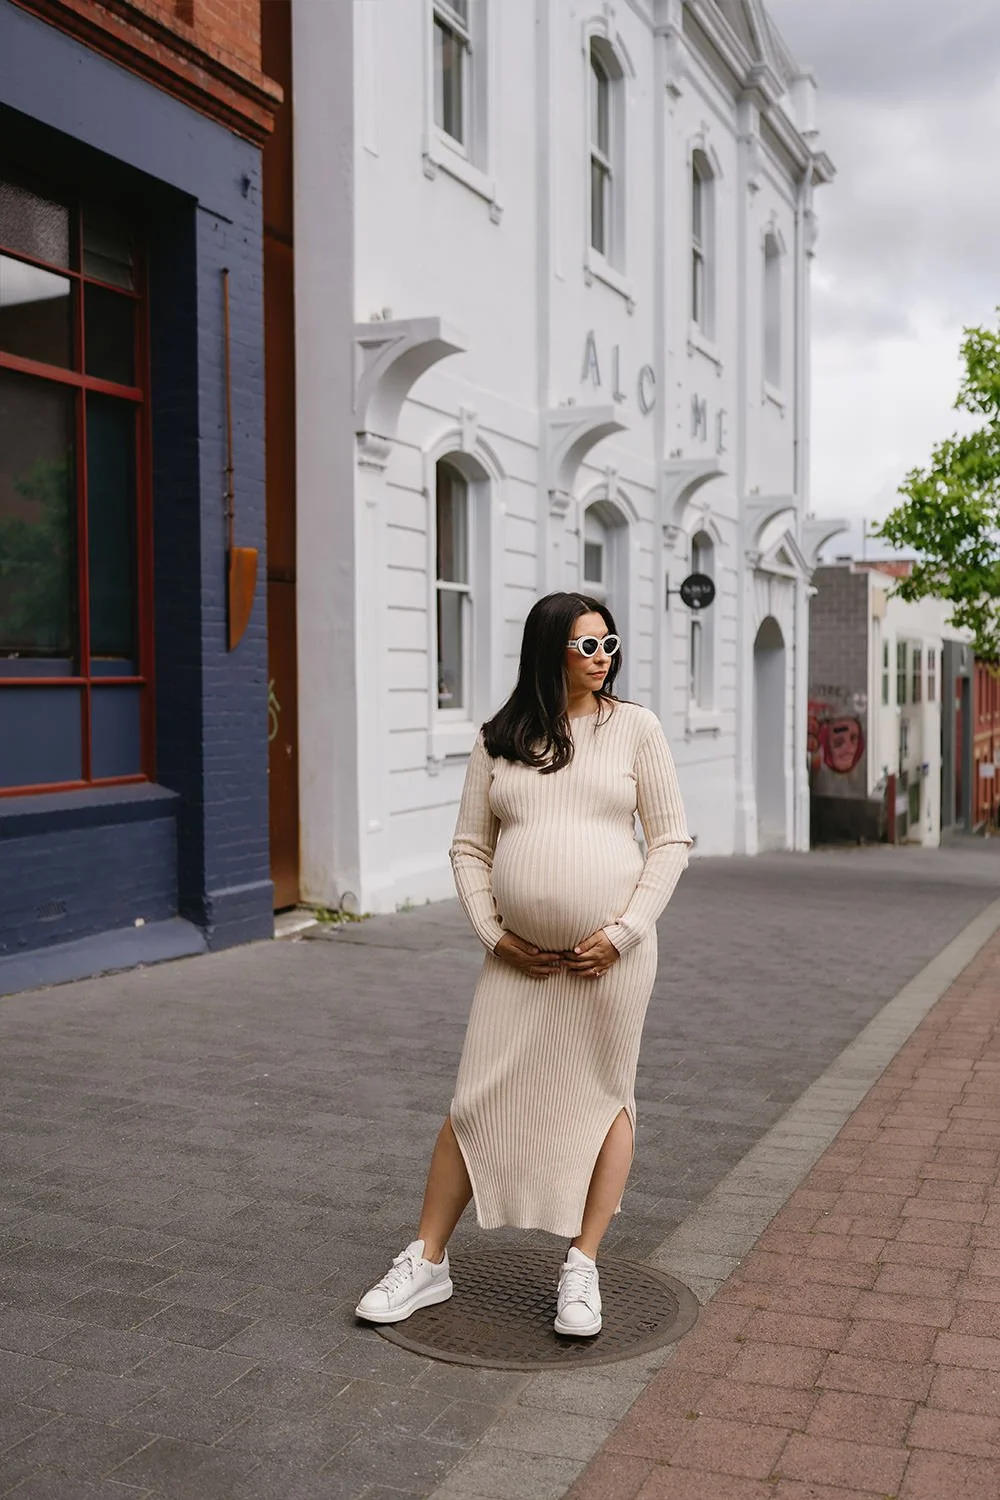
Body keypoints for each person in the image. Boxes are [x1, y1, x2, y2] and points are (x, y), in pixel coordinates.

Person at [356, 591, 691, 1336]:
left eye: (610, 645)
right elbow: (469, 848)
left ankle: (582, 1265)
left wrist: (626, 931)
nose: (603, 659)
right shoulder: (498, 738)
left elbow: (670, 841)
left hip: (610, 963)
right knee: (475, 1099)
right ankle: (427, 1260)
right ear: (550, 652)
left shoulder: (637, 729)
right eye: (587, 646)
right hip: (517, 964)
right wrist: (494, 935)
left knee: (606, 1096)